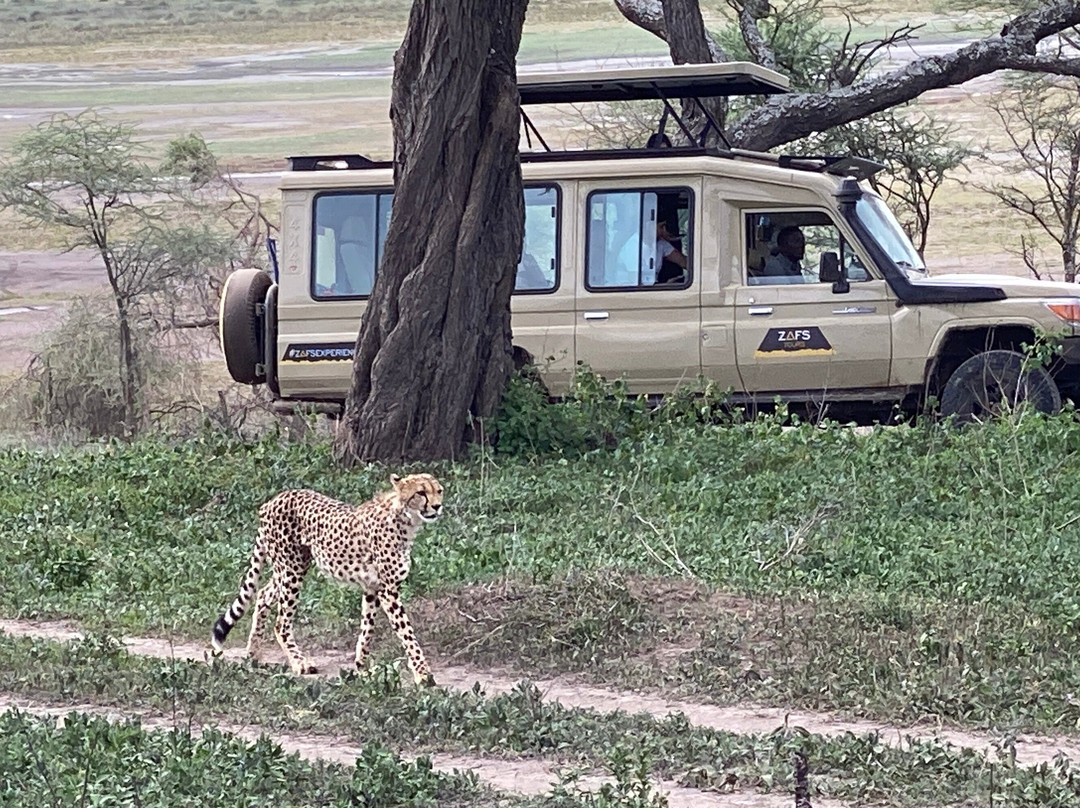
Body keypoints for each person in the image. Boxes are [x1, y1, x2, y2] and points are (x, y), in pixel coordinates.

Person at [655, 218, 687, 284]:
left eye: (665, 227)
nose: (664, 230)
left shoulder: (661, 244)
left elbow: (684, 262)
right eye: (661, 227)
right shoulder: (634, 244)